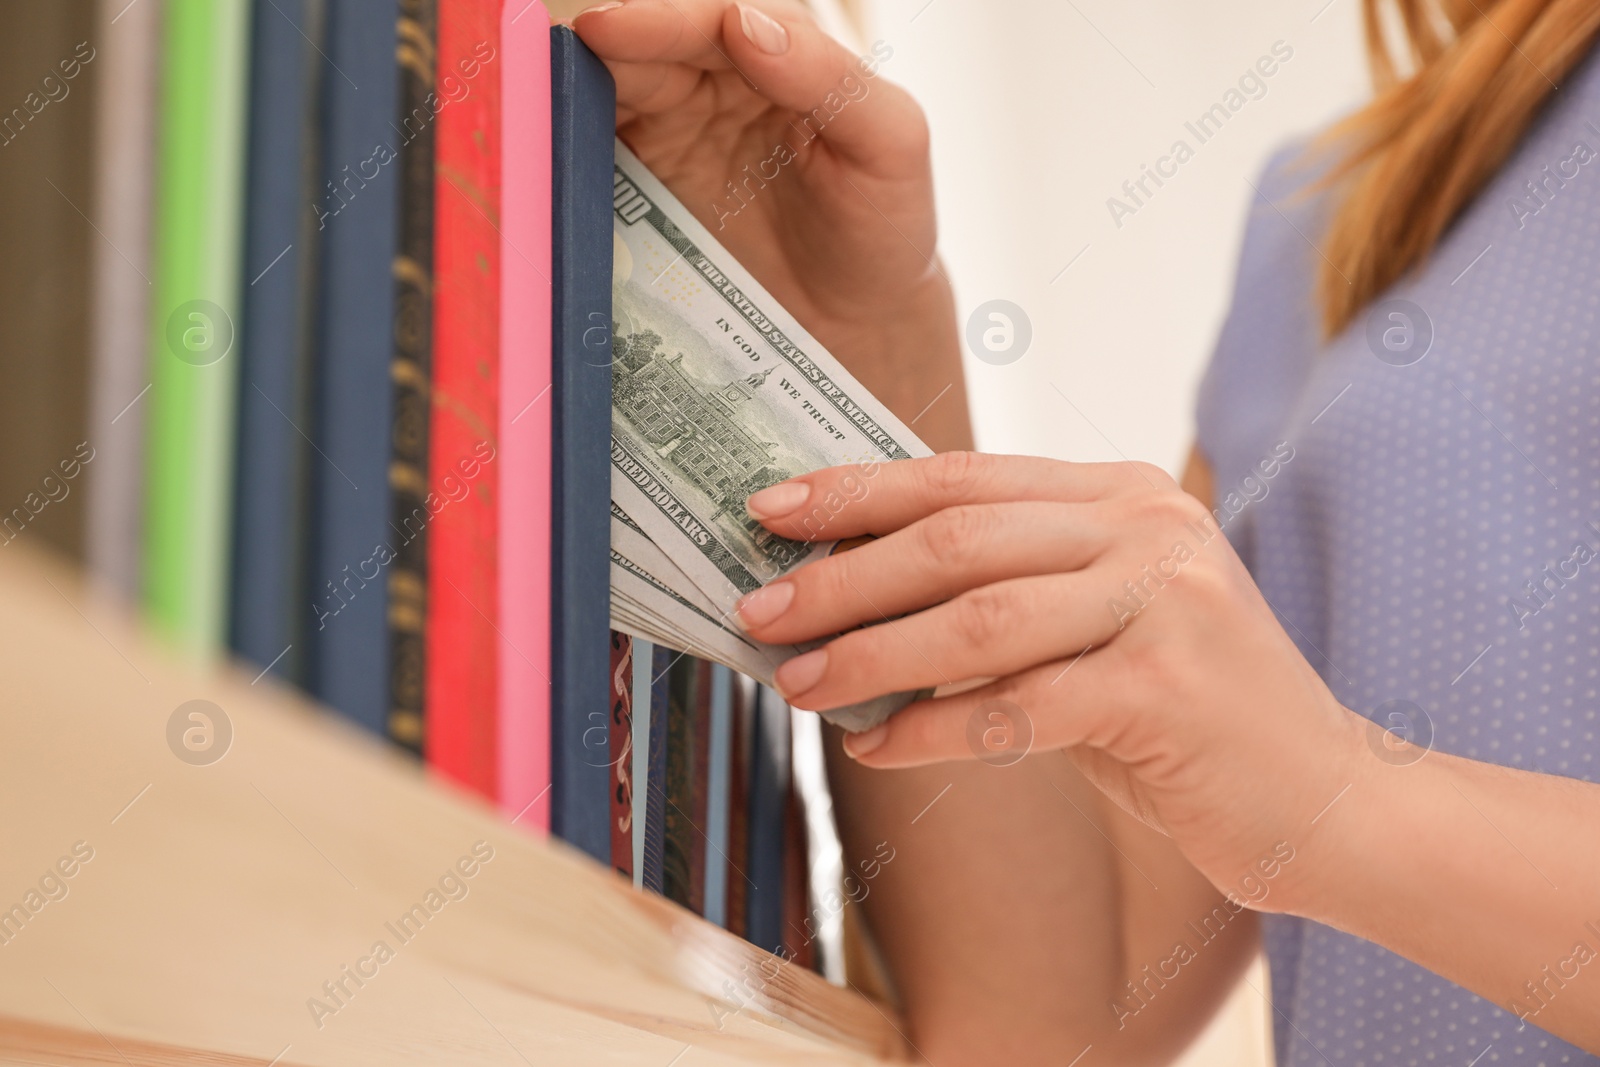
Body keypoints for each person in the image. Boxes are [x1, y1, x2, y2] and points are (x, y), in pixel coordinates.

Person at [575, 1, 1600, 1063]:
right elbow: (1046, 1026)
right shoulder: (1354, 199)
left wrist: (1346, 800)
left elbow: (1312, 810)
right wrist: (871, 352)